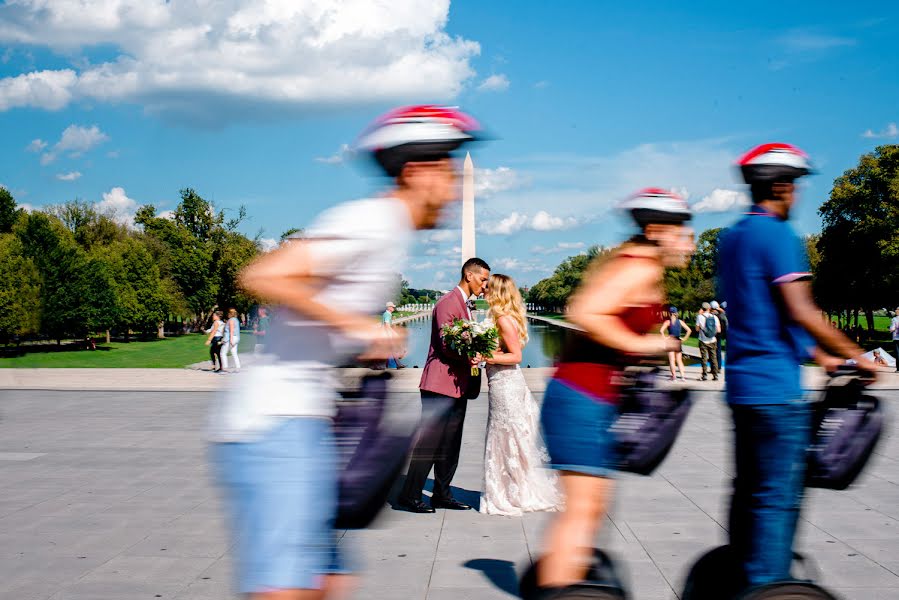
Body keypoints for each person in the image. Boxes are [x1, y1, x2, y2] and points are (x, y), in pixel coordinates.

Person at [209, 105, 482, 600]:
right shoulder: (374, 221)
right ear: (417, 172)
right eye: (449, 172)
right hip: (275, 423)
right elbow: (264, 275)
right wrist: (358, 326)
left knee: (328, 583)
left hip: (306, 424)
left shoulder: (388, 230)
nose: (457, 189)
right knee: (287, 590)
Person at [719, 142, 877, 589]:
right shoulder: (778, 236)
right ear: (783, 186)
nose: (798, 196)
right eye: (797, 187)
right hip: (777, 392)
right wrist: (857, 356)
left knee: (748, 492)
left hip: (743, 388)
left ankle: (740, 577)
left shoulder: (732, 239)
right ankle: (766, 587)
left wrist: (821, 355)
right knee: (776, 500)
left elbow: (760, 312)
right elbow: (801, 310)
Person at [538, 189, 693, 589]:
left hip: (591, 398)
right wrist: (646, 344)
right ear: (657, 230)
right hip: (580, 396)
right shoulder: (638, 266)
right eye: (683, 232)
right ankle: (560, 591)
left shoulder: (641, 265)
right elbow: (585, 310)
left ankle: (562, 586)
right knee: (582, 512)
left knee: (588, 510)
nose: (690, 243)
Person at [397, 257, 490, 513]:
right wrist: (470, 353)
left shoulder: (465, 304)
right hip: (439, 385)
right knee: (429, 443)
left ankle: (442, 493)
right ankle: (410, 495)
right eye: (483, 279)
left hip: (458, 384)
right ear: (469, 275)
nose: (485, 285)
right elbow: (448, 344)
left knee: (451, 442)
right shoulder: (448, 302)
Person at [480, 273, 560, 516]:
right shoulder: (502, 317)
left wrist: (484, 356)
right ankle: (511, 487)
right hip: (501, 382)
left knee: (508, 435)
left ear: (496, 292)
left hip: (506, 384)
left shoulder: (504, 320)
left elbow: (516, 357)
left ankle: (514, 490)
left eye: (487, 286)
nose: (483, 289)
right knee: (508, 435)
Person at [659, 307, 691, 381]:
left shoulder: (668, 322)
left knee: (672, 360)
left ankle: (674, 377)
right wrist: (684, 339)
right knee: (679, 360)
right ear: (676, 313)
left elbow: (661, 331)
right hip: (677, 340)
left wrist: (665, 338)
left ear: (670, 313)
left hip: (670, 341)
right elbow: (689, 330)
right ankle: (683, 377)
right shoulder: (680, 321)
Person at [696, 301, 720, 381]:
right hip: (713, 340)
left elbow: (696, 329)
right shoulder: (714, 317)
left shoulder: (699, 317)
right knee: (714, 358)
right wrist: (711, 333)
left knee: (704, 358)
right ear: (709, 308)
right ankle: (715, 375)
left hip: (703, 340)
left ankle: (704, 375)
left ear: (702, 308)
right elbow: (719, 330)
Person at [381, 302, 406, 369]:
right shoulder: (387, 314)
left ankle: (398, 364)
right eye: (392, 307)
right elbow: (387, 326)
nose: (393, 308)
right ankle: (381, 365)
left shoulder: (387, 314)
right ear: (389, 307)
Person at [220, 308, 242, 373]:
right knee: (234, 352)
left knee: (223, 353)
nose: (227, 314)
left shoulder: (231, 320)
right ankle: (238, 367)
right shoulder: (236, 320)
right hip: (236, 337)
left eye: (228, 313)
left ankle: (225, 368)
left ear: (230, 313)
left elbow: (231, 330)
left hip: (230, 338)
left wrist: (231, 340)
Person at [712, 300, 728, 373]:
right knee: (718, 351)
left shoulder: (714, 314)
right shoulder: (722, 314)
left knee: (713, 351)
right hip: (719, 334)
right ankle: (718, 367)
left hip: (714, 334)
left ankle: (714, 367)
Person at [891, 307, 899, 372]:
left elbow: (892, 329)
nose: (895, 310)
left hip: (896, 338)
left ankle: (898, 369)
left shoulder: (894, 319)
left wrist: (891, 329)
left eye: (896, 309)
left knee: (897, 353)